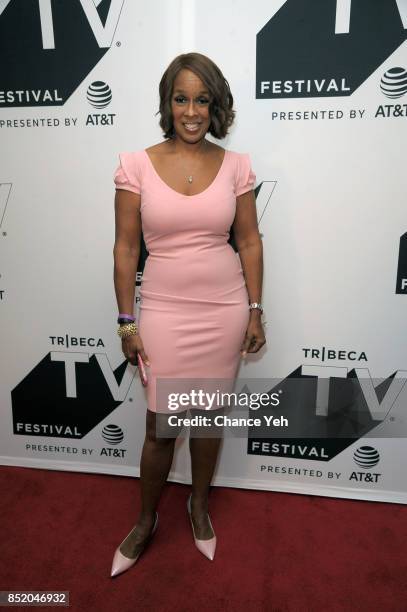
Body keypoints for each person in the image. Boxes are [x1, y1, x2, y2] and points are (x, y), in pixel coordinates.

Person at [111, 52, 265, 577]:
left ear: (215, 104)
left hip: (223, 312)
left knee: (206, 419)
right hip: (162, 312)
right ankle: (144, 520)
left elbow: (248, 241)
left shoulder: (237, 165)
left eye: (202, 99)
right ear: (167, 103)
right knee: (161, 426)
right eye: (182, 99)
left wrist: (255, 308)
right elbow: (126, 250)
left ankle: (198, 506)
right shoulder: (135, 164)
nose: (192, 111)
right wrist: (126, 321)